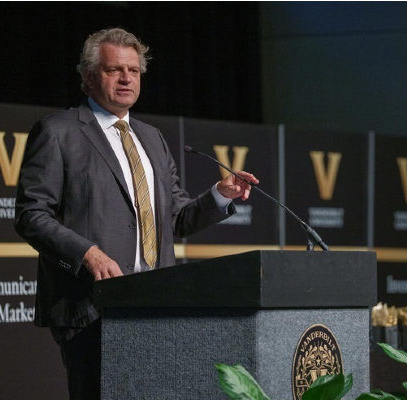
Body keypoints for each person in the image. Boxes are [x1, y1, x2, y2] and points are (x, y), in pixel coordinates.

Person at [14, 27, 258, 399]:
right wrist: (87, 253)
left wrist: (219, 195)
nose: (127, 78)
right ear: (89, 76)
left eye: (134, 70)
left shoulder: (152, 138)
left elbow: (176, 219)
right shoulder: (58, 131)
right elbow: (31, 215)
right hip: (91, 306)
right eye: (115, 69)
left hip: (155, 305)